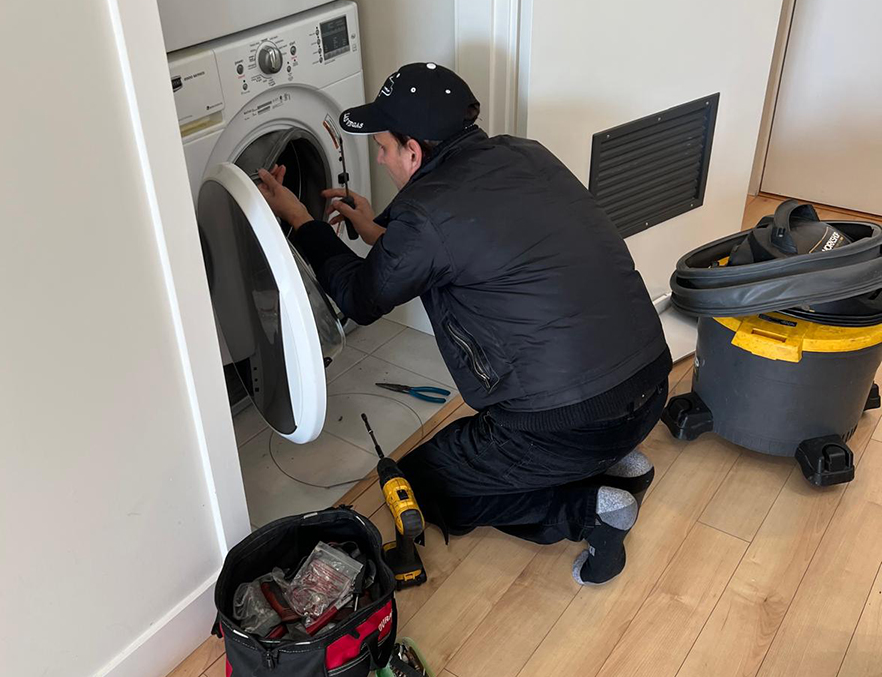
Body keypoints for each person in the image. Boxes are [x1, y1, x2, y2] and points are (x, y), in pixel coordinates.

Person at [257, 62, 671, 585]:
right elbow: (462, 241)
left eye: (383, 147)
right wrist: (378, 227)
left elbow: (360, 298)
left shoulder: (425, 217)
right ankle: (616, 463)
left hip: (569, 425)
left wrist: (299, 219)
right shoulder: (525, 153)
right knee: (546, 430)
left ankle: (589, 510)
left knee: (422, 483)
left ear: (413, 151)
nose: (380, 158)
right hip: (650, 385)